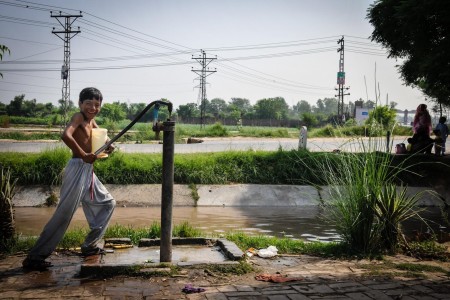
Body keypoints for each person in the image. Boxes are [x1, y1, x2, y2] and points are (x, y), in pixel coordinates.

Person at [22, 87, 116, 270]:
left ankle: (90, 245)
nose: (93, 107)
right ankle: (35, 257)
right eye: (88, 103)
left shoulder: (92, 121)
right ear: (80, 104)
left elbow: (103, 138)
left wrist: (109, 146)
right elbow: (65, 135)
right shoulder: (78, 117)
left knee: (108, 203)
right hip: (77, 167)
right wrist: (82, 154)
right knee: (64, 214)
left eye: (97, 104)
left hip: (88, 170)